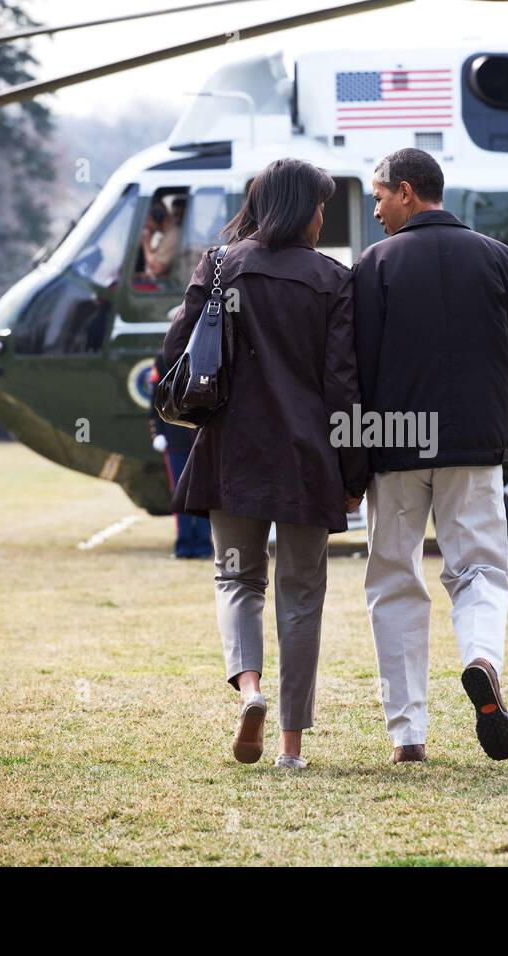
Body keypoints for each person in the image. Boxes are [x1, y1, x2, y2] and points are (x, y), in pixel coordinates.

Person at [158, 159, 369, 770]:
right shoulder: (334, 279)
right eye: (321, 206)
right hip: (309, 460)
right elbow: (344, 386)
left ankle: (249, 691)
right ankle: (290, 748)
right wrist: (352, 474)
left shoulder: (220, 264)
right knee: (302, 596)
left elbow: (177, 353)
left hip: (231, 456)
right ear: (305, 208)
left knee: (237, 580)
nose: (323, 216)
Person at [353, 148, 508, 764]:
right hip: (475, 442)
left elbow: (356, 365)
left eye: (380, 195)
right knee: (481, 571)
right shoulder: (502, 260)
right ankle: (481, 660)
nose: (376, 208)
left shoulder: (374, 264)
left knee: (394, 582)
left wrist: (359, 447)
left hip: (394, 445)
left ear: (407, 192)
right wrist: (498, 425)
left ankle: (407, 735)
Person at [148, 353, 213, 559]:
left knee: (203, 490)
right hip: (175, 437)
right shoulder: (163, 358)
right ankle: (184, 543)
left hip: (202, 435)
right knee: (179, 492)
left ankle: (203, 543)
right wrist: (157, 432)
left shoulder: (208, 353)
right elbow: (155, 398)